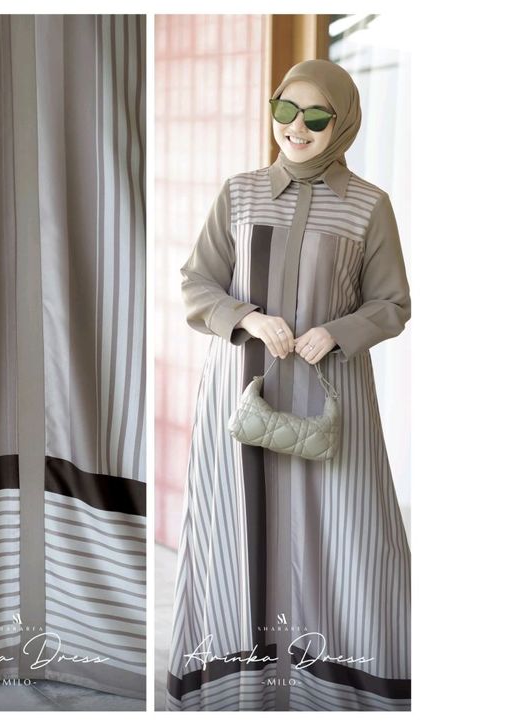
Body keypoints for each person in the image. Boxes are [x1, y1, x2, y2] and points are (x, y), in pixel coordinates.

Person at [165, 59, 411, 711]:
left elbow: (392, 303)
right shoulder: (239, 193)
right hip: (242, 394)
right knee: (240, 530)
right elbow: (196, 283)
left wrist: (338, 331)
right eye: (285, 110)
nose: (296, 128)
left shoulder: (368, 207)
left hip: (330, 397)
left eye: (316, 116)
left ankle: (340, 687)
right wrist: (246, 317)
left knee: (347, 534)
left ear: (343, 123)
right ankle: (242, 683)